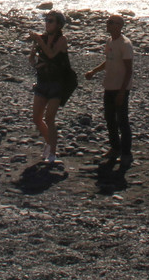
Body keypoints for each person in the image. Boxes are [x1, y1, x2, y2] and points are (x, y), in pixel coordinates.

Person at [85, 14, 134, 174]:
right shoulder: (110, 41)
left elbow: (129, 70)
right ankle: (115, 148)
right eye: (107, 22)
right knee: (109, 118)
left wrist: (122, 91)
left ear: (119, 25)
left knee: (122, 121)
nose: (108, 24)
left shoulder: (125, 44)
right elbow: (109, 61)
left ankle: (126, 153)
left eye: (111, 22)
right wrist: (94, 71)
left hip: (120, 88)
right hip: (109, 86)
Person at [27, 10, 76, 163]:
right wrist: (33, 57)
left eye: (51, 21)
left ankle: (53, 153)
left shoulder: (62, 39)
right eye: (46, 20)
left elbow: (51, 54)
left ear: (59, 24)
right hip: (43, 81)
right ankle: (50, 142)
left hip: (57, 83)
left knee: (49, 118)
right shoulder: (41, 39)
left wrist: (40, 42)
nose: (47, 23)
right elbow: (35, 60)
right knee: (36, 118)